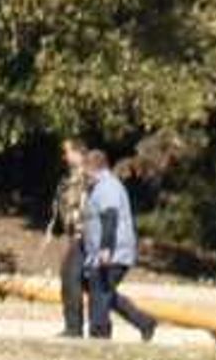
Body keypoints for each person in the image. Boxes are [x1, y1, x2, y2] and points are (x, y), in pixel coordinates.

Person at [80, 146, 157, 342]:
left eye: (84, 169)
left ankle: (100, 335)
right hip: (107, 252)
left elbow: (110, 217)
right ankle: (144, 322)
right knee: (103, 291)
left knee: (99, 289)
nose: (83, 174)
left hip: (114, 252)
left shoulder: (107, 186)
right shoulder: (100, 186)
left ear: (92, 167)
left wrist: (106, 248)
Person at [52, 140, 91, 338]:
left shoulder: (89, 178)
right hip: (73, 237)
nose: (64, 156)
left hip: (84, 237)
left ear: (77, 152)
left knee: (72, 280)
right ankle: (72, 325)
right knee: (77, 282)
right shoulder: (69, 179)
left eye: (66, 152)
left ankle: (74, 328)